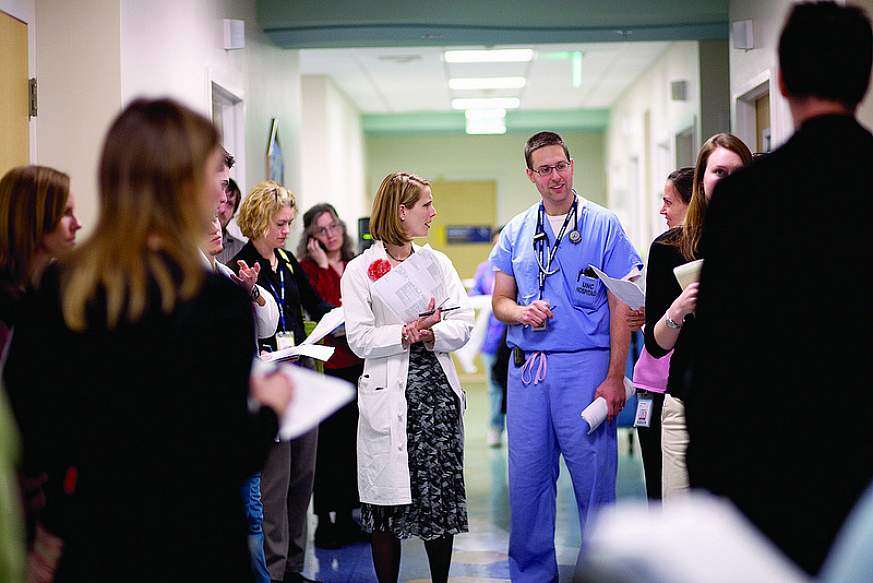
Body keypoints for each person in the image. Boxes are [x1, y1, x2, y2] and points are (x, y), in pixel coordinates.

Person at [2, 97, 292, 582]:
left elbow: (29, 433)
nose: (219, 192)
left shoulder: (61, 286)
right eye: (212, 177)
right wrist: (270, 408)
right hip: (197, 547)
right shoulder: (216, 299)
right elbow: (229, 454)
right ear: (181, 183)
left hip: (94, 542)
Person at [686, 2, 873, 575]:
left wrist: (711, 476)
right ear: (865, 80)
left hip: (776, 460)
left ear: (784, 82)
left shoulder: (748, 199)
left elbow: (719, 350)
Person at [490, 131, 642, 582]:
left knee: (595, 484)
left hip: (586, 366)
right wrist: (520, 312)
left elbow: (622, 303)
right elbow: (501, 300)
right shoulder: (517, 231)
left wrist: (616, 376)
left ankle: (599, 573)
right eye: (545, 169)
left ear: (571, 165)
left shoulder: (603, 225)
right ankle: (532, 574)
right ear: (530, 176)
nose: (555, 176)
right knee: (528, 484)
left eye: (561, 166)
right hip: (528, 374)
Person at [340, 171, 473, 583]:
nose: (433, 213)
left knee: (440, 499)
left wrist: (431, 332)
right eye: (425, 205)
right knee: (386, 508)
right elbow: (359, 338)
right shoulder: (361, 270)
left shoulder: (437, 263)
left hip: (435, 398)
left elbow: (463, 321)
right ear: (401, 212)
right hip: (389, 394)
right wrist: (404, 332)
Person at [642, 134, 751, 503]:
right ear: (702, 178)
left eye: (737, 172)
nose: (727, 180)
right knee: (682, 523)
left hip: (749, 406)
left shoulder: (768, 242)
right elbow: (656, 346)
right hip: (685, 408)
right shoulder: (670, 249)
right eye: (718, 171)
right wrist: (677, 310)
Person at [233, 181, 332, 583]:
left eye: (290, 222)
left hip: (300, 373)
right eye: (280, 223)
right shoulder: (241, 266)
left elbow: (314, 305)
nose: (286, 230)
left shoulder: (287, 262)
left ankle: (293, 565)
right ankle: (273, 571)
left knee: (303, 477)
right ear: (258, 220)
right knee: (276, 480)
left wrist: (344, 317)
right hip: (269, 380)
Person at [297, 203, 366, 549]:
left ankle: (351, 515)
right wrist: (324, 267)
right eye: (321, 230)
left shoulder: (356, 264)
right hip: (327, 367)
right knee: (328, 450)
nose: (330, 234)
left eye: (334, 226)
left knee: (354, 444)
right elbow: (325, 310)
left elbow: (356, 310)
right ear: (311, 238)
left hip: (356, 363)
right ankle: (326, 520)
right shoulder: (307, 268)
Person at [631, 166, 693, 502]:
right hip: (651, 383)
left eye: (669, 202)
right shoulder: (663, 249)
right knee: (658, 484)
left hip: (681, 385)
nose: (662, 210)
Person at [0, 165, 81, 349]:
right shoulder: (7, 309)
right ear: (31, 216)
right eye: (66, 213)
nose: (78, 224)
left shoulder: (45, 291)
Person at [469, 227, 507, 447]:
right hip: (491, 339)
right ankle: (495, 428)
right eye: (495, 242)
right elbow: (474, 293)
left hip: (514, 339)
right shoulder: (484, 269)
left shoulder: (516, 267)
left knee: (516, 389)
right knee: (494, 387)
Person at [217, 177, 247, 265]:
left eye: (229, 204)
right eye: (220, 201)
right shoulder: (189, 243)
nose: (222, 210)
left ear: (234, 213)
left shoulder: (242, 250)